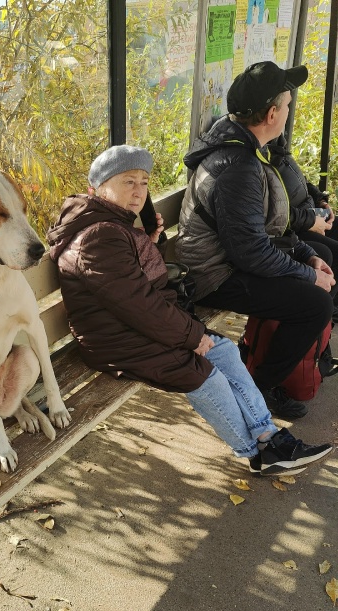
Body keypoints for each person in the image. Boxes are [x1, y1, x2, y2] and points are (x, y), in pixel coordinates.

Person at [46, 144, 332, 476]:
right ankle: (256, 453)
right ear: (96, 187)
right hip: (116, 338)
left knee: (224, 351)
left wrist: (150, 243)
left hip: (132, 324)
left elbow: (133, 285)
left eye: (143, 182)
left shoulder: (109, 223)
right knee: (205, 374)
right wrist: (192, 336)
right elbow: (139, 304)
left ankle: (268, 436)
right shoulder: (99, 236)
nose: (139, 191)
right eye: (128, 182)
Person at [175, 61, 335, 419]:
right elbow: (251, 252)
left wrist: (307, 256)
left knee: (319, 266)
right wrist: (309, 275)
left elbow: (269, 227)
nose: (289, 112)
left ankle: (264, 362)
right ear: (272, 114)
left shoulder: (246, 148)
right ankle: (258, 389)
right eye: (288, 105)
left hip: (230, 259)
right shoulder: (239, 165)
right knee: (314, 304)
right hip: (212, 275)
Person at [267, 132, 338, 321]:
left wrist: (321, 200)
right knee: (329, 252)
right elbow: (273, 213)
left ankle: (328, 309)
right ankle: (327, 311)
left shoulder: (276, 145)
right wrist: (311, 222)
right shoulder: (256, 157)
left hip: (309, 213)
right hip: (294, 225)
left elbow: (302, 181)